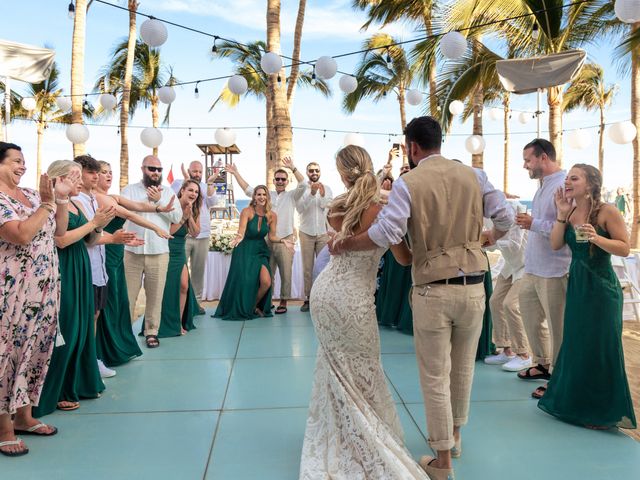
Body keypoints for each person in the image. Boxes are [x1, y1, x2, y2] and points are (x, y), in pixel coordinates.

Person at [328, 117, 513, 480]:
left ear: (412, 148)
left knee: (434, 375)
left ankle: (442, 461)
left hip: (433, 287)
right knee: (462, 369)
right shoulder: (474, 175)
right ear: (440, 142)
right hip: (475, 284)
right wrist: (489, 238)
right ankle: (455, 437)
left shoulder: (409, 182)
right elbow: (505, 216)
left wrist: (347, 243)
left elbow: (388, 231)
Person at [299, 145, 428, 479]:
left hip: (326, 293)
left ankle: (341, 435)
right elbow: (404, 258)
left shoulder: (337, 208)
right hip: (354, 299)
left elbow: (341, 237)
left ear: (343, 174)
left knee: (335, 368)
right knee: (364, 368)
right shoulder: (384, 211)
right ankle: (366, 440)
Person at [539, 164, 637, 429]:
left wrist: (596, 238)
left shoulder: (607, 211)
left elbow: (625, 248)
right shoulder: (569, 211)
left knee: (601, 346)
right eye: (568, 177)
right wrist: (560, 215)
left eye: (574, 178)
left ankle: (602, 412)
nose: (567, 181)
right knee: (577, 342)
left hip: (602, 289)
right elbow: (556, 244)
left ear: (591, 183)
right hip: (578, 286)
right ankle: (576, 405)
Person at [0, 144, 77, 457]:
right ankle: (4, 428)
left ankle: (24, 416)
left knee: (36, 350)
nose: (22, 166)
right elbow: (19, 234)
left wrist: (60, 200)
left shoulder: (32, 195)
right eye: (16, 161)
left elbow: (58, 230)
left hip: (43, 289)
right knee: (7, 355)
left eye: (24, 162)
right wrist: (47, 204)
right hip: (12, 292)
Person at [34, 160, 113, 417]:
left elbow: (90, 238)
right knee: (66, 328)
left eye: (80, 176)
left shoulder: (76, 202)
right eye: (74, 176)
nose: (80, 181)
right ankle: (56, 390)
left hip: (80, 268)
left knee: (80, 328)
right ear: (58, 179)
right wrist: (93, 223)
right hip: (64, 269)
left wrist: (99, 223)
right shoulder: (50, 202)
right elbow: (62, 239)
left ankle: (76, 382)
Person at [94, 161, 172, 367]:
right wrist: (155, 228)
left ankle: (114, 344)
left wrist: (159, 207)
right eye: (103, 173)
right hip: (107, 250)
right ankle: (104, 349)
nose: (108, 176)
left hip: (115, 251)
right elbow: (130, 215)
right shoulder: (100, 197)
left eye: (110, 172)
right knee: (111, 300)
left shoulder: (114, 197)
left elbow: (137, 207)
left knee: (114, 299)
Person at [515, 139, 571, 399]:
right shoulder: (543, 186)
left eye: (528, 159)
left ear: (544, 158)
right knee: (529, 315)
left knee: (557, 327)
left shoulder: (563, 186)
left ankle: (558, 378)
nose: (525, 165)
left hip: (555, 269)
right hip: (534, 267)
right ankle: (542, 363)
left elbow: (567, 230)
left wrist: (533, 222)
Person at [227, 157, 305, 313]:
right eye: (278, 179)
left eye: (283, 179)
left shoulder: (292, 196)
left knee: (286, 273)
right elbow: (247, 188)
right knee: (267, 273)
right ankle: (266, 302)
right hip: (266, 240)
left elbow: (303, 184)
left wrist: (293, 168)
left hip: (285, 239)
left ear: (287, 181)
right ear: (274, 181)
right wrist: (235, 173)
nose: (280, 181)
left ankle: (283, 302)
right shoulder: (266, 195)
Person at [121, 155, 183, 348]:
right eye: (151, 168)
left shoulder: (168, 192)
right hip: (132, 250)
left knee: (155, 295)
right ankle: (124, 334)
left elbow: (178, 216)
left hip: (159, 250)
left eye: (159, 169)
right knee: (128, 296)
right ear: (142, 169)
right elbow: (123, 213)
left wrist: (160, 205)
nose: (156, 173)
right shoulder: (129, 190)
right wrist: (150, 203)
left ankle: (152, 332)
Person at [214, 186, 294, 319]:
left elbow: (272, 237)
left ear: (267, 197)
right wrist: (238, 237)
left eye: (264, 194)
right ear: (254, 197)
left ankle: (252, 306)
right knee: (245, 281)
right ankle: (247, 307)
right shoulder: (247, 211)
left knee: (266, 282)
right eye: (258, 194)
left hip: (260, 250)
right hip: (244, 249)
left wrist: (283, 241)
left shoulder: (272, 215)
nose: (261, 197)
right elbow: (241, 231)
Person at [484, 201, 532, 372]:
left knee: (510, 305)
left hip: (527, 263)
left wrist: (490, 238)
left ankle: (524, 354)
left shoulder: (513, 210)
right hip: (511, 263)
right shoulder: (483, 214)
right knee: (495, 302)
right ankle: (507, 350)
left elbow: (515, 244)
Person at [172, 161, 221, 313]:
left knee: (198, 272)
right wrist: (186, 181)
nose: (197, 174)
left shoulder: (206, 187)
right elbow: (174, 198)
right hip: (183, 235)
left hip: (202, 233)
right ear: (189, 171)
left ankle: (196, 304)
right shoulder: (178, 183)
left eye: (200, 172)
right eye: (194, 171)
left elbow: (214, 202)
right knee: (179, 272)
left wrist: (211, 183)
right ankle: (178, 304)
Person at [154, 180, 201, 336]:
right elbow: (167, 232)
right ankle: (159, 324)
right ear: (182, 191)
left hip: (179, 251)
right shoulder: (171, 205)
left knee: (183, 286)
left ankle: (178, 323)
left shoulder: (194, 209)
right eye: (190, 190)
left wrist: (189, 216)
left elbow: (195, 233)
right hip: (166, 249)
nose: (193, 194)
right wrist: (182, 217)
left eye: (196, 192)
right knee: (166, 289)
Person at [296, 162, 333, 312]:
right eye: (311, 170)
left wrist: (322, 194)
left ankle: (322, 298)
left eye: (316, 170)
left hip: (323, 233)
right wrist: (311, 194)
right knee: (307, 268)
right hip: (306, 232)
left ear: (320, 172)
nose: (314, 172)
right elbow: (300, 209)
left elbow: (328, 206)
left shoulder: (328, 188)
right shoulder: (302, 189)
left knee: (324, 267)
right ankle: (308, 299)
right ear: (307, 172)